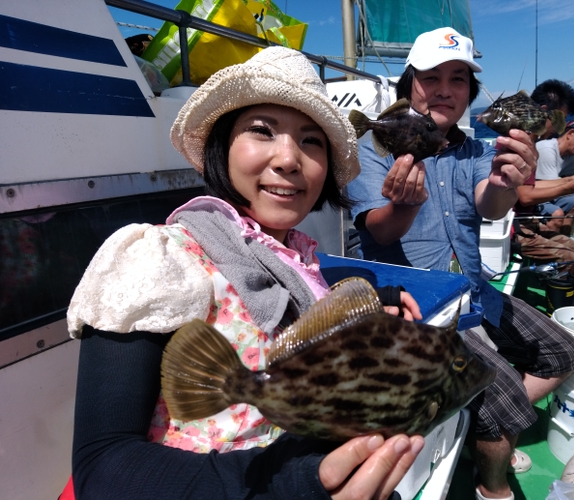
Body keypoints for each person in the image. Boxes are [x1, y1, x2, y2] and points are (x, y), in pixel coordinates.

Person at [64, 46, 425, 500]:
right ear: (222, 145)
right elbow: (104, 465)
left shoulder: (294, 257)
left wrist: (377, 302)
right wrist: (287, 484)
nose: (290, 158)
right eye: (262, 130)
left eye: (312, 140)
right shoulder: (155, 258)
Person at [346, 27, 574, 500]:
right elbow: (378, 229)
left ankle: (476, 407)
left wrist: (507, 179)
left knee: (565, 352)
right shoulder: (373, 145)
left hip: (473, 291)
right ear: (409, 83)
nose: (444, 88)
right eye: (430, 76)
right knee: (505, 404)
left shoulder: (479, 148)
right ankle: (491, 484)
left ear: (470, 92)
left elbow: (492, 204)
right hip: (417, 308)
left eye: (458, 79)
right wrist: (404, 204)